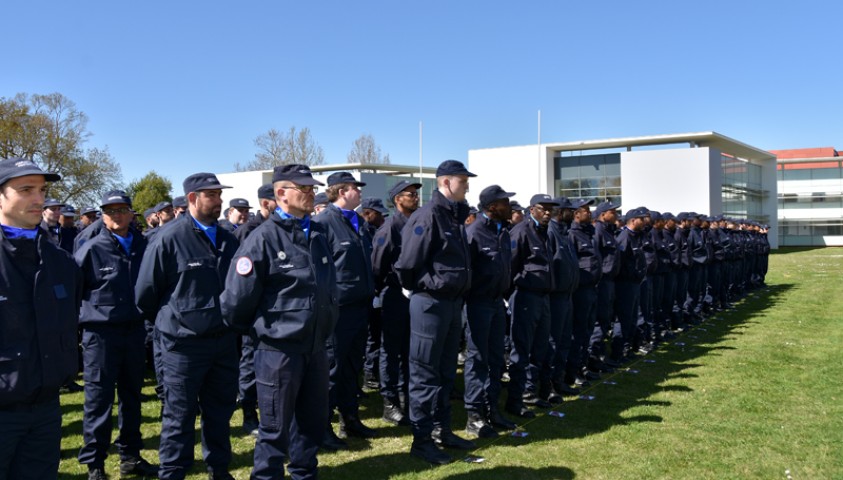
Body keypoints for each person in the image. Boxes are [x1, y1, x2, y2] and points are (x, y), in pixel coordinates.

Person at [220, 164, 337, 480]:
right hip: (278, 352)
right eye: (304, 188)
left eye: (313, 188)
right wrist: (265, 333)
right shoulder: (262, 240)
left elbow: (327, 288)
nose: (311, 193)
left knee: (310, 425)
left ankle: (303, 474)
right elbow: (235, 302)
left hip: (314, 348)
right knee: (274, 429)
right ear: (282, 193)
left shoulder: (318, 235)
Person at [135, 172, 240, 480]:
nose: (219, 201)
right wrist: (177, 321)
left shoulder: (228, 239)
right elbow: (145, 294)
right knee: (179, 416)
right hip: (182, 346)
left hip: (222, 343)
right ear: (193, 198)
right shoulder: (168, 238)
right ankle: (173, 472)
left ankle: (219, 470)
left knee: (219, 412)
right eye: (212, 195)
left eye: (220, 195)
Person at [0, 157, 82, 480]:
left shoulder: (59, 262)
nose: (39, 199)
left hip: (46, 410)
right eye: (26, 190)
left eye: (42, 190)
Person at [395, 160, 476, 465]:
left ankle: (443, 430)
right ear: (445, 183)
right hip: (430, 303)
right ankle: (422, 439)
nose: (466, 185)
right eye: (462, 180)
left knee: (444, 372)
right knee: (424, 372)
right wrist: (424, 287)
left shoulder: (453, 216)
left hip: (452, 303)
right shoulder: (428, 215)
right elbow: (407, 263)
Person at [75, 190, 158, 480]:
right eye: (109, 211)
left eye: (121, 209)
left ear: (131, 213)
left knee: (132, 397)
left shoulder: (144, 245)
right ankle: (95, 464)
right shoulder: (91, 248)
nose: (116, 215)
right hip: (101, 335)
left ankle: (130, 457)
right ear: (103, 215)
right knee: (98, 400)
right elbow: (75, 292)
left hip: (135, 332)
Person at [312, 171, 377, 448]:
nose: (359, 192)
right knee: (332, 369)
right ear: (341, 191)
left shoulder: (358, 222)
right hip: (337, 310)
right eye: (355, 188)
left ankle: (350, 419)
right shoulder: (323, 223)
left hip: (360, 307)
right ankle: (321, 427)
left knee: (352, 367)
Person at [463, 185, 517, 439]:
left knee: (497, 358)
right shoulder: (473, 232)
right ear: (493, 206)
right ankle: (474, 415)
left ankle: (491, 408)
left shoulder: (503, 232)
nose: (510, 206)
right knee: (478, 359)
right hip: (477, 304)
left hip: (497, 303)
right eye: (506, 202)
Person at [370, 180, 422, 427]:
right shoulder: (390, 228)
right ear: (398, 199)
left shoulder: (417, 224)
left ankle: (406, 397)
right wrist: (383, 288)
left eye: (416, 194)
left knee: (409, 350)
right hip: (394, 294)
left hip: (414, 295)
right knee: (391, 350)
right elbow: (378, 264)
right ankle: (390, 403)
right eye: (411, 194)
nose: (416, 198)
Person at [507, 194, 559, 417]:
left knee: (540, 347)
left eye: (550, 209)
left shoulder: (545, 232)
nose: (548, 212)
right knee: (521, 350)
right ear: (531, 210)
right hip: (525, 297)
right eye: (543, 208)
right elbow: (509, 266)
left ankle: (531, 392)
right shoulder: (521, 231)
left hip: (543, 298)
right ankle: (516, 400)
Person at [233, 184, 277, 436]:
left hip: (272, 312)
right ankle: (249, 414)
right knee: (250, 364)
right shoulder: (249, 230)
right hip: (253, 311)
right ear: (265, 203)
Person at [359, 197, 389, 391]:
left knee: (377, 334)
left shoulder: (376, 231)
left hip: (377, 290)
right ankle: (369, 372)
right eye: (379, 215)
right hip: (368, 291)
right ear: (368, 213)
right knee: (371, 336)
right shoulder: (362, 232)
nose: (382, 219)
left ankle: (374, 370)